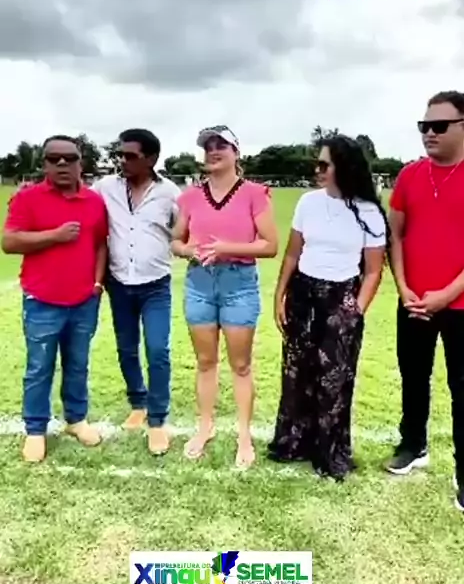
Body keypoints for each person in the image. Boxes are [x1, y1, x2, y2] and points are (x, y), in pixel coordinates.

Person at [268, 135, 387, 480]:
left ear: (344, 168)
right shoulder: (308, 203)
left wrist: (355, 310)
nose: (317, 170)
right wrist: (280, 295)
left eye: (324, 164)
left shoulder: (369, 212)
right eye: (316, 163)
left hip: (341, 298)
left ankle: (330, 452)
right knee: (297, 373)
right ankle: (293, 443)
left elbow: (374, 270)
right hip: (303, 294)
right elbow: (293, 253)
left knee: (334, 379)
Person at [172, 126, 278, 467]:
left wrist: (226, 248)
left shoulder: (254, 194)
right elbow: (176, 241)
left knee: (241, 365)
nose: (213, 151)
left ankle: (244, 436)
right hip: (200, 283)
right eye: (208, 147)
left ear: (236, 152)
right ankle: (205, 427)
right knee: (205, 362)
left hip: (238, 284)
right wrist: (189, 250)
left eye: (221, 145)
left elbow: (270, 245)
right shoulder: (190, 196)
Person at [1, 136, 108, 463]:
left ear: (80, 163)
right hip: (42, 300)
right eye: (53, 158)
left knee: (77, 364)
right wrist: (55, 235)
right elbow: (9, 242)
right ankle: (36, 429)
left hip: (83, 300)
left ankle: (76, 419)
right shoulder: (28, 198)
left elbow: (100, 243)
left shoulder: (94, 201)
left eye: (69, 158)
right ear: (44, 164)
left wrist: (97, 283)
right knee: (39, 367)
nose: (62, 164)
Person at [387, 90, 464, 512]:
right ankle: (413, 445)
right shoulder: (409, 176)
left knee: (461, 388)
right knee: (413, 377)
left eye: (439, 126)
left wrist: (446, 295)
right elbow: (395, 235)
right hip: (413, 302)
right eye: (424, 126)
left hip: (460, 306)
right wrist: (403, 288)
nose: (429, 133)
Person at [93, 129, 181, 455]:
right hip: (119, 284)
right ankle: (138, 403)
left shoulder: (170, 193)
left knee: (157, 351)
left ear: (151, 159)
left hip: (155, 285)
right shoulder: (105, 187)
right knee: (127, 349)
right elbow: (80, 206)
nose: (123, 161)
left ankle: (157, 421)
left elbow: (183, 231)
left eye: (131, 156)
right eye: (120, 155)